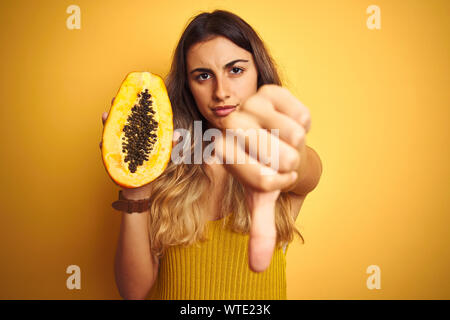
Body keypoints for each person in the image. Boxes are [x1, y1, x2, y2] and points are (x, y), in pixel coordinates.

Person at [100, 9, 322, 300]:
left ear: (259, 75)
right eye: (203, 76)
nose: (221, 92)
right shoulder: (166, 167)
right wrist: (134, 187)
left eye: (235, 70)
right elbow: (134, 293)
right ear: (188, 88)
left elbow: (303, 167)